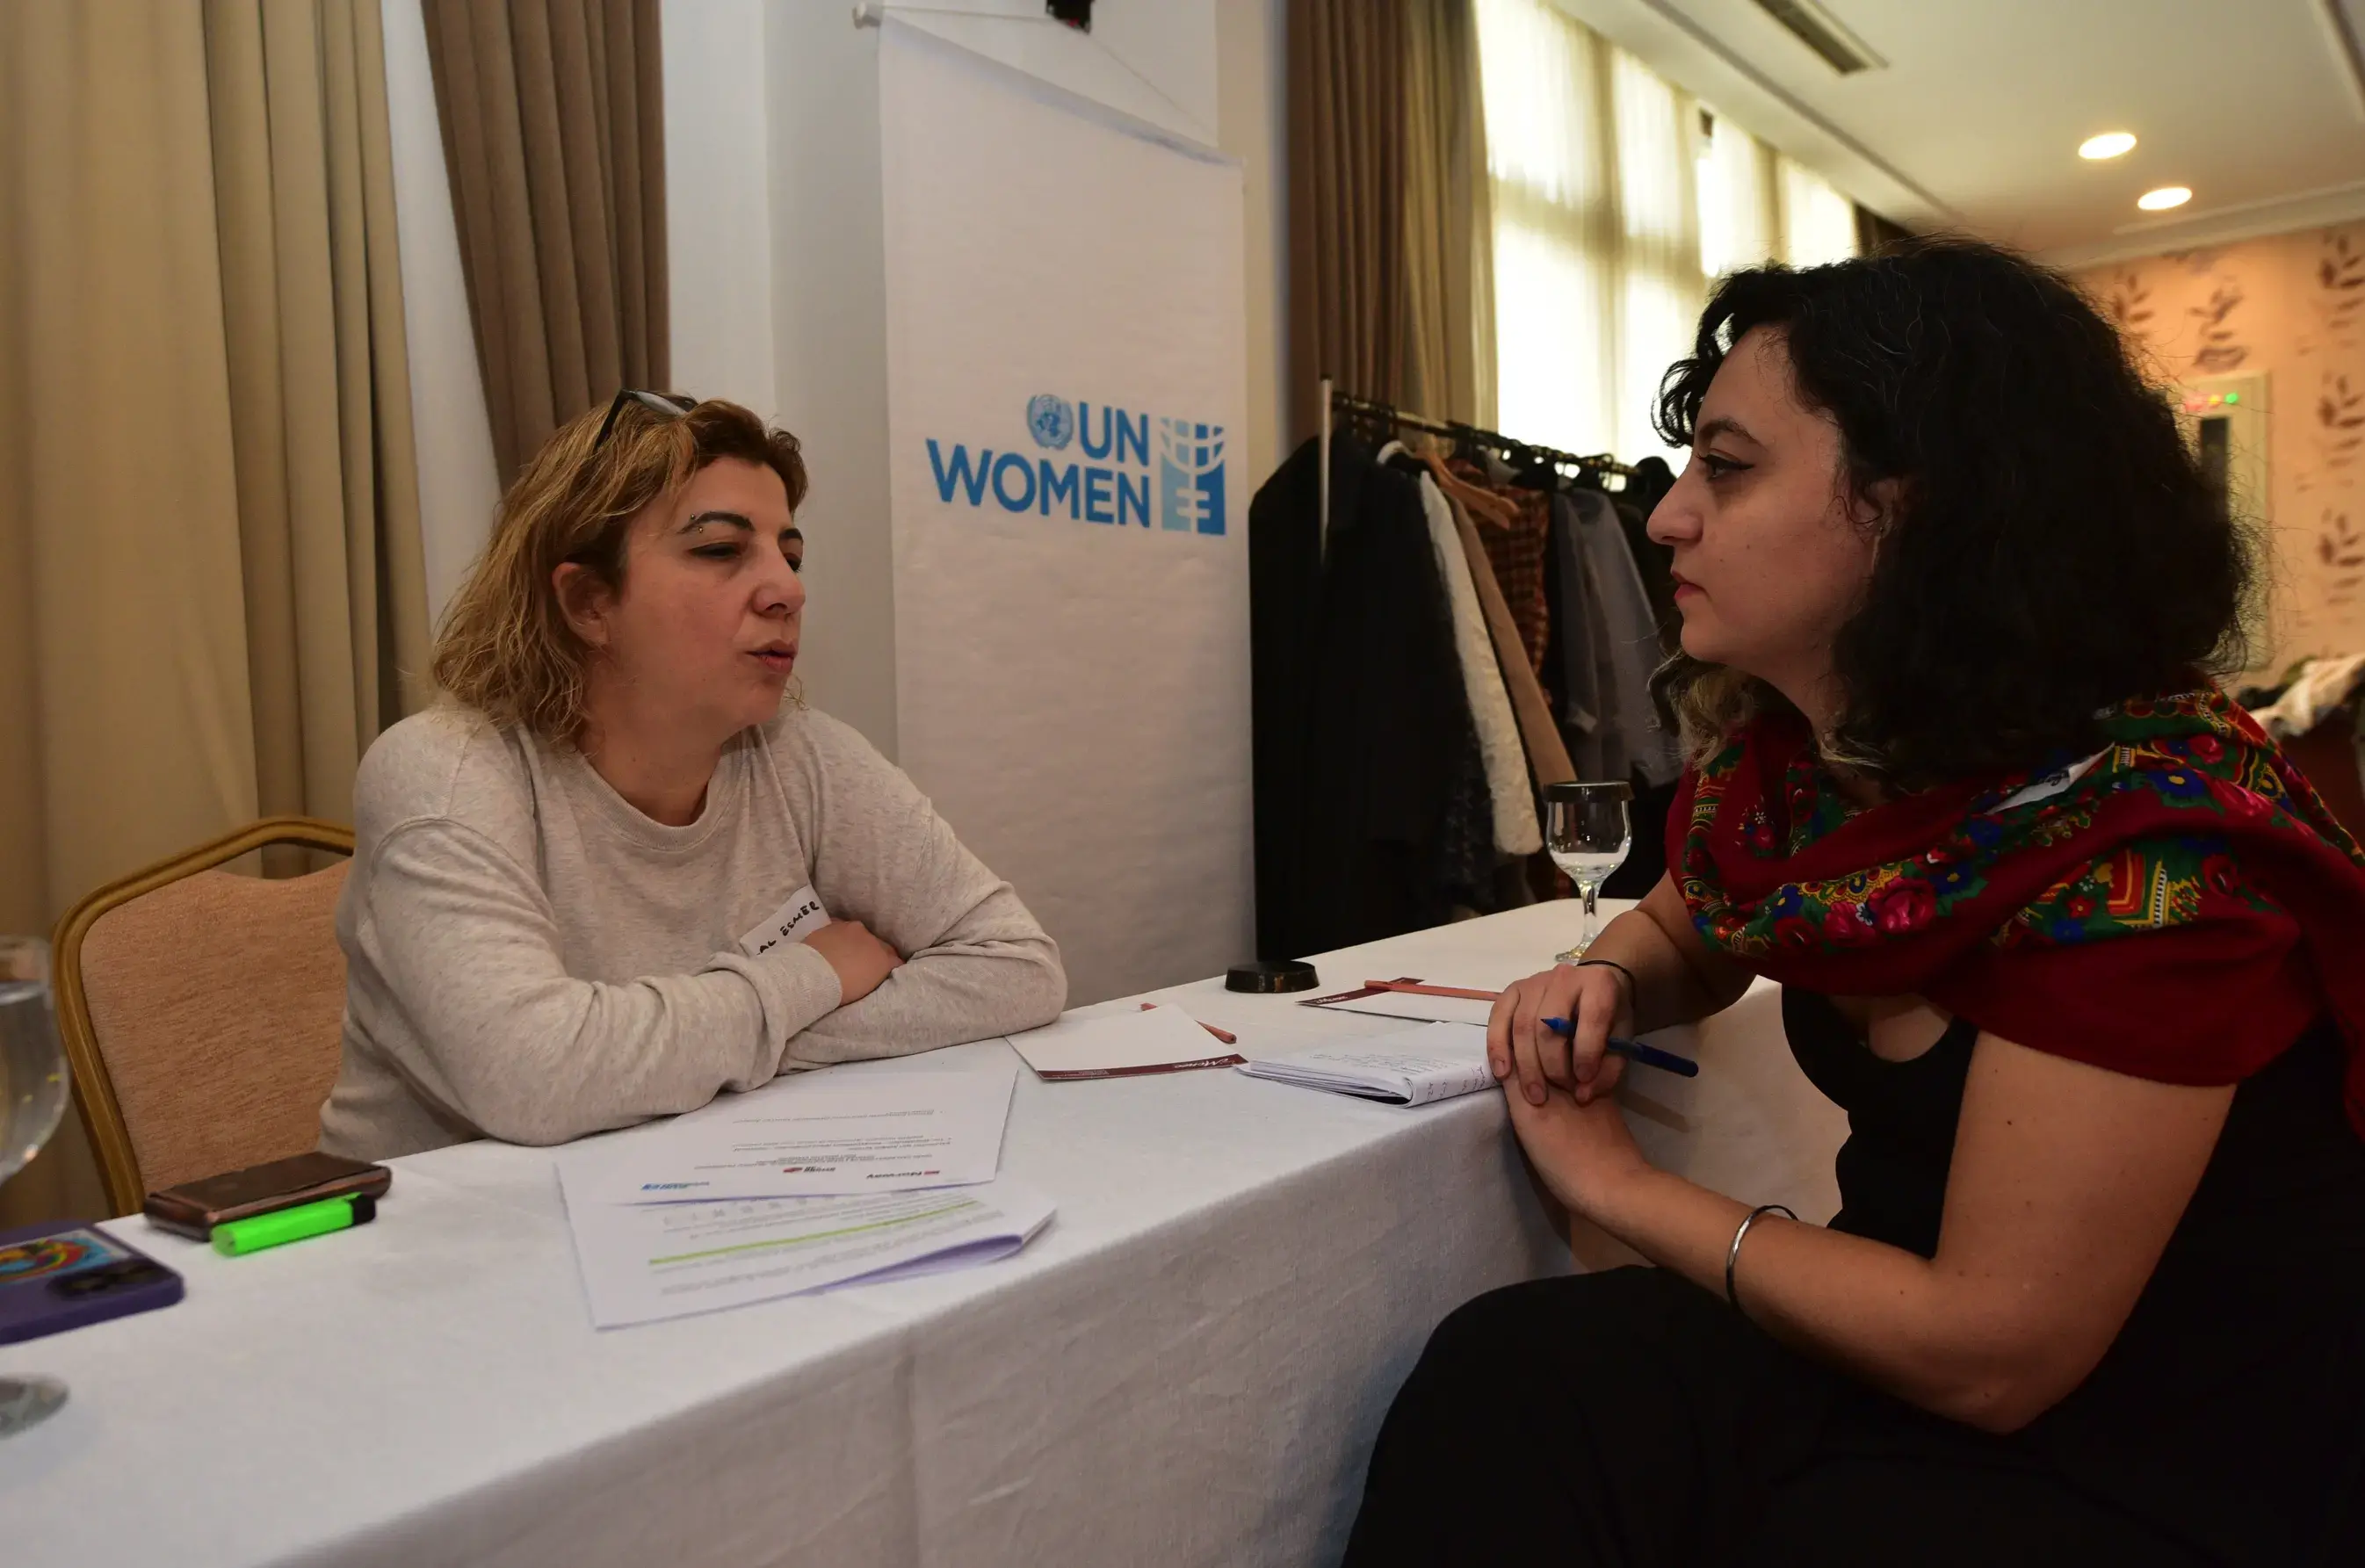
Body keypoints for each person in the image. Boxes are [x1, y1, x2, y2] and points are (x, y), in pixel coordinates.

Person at [1342, 238, 2365, 1566]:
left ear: (1915, 504)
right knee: (1518, 1381)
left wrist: (1622, 1187)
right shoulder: (1806, 769)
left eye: (1730, 465)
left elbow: (1993, 1352)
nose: (1665, 518)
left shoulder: (2147, 856)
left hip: (2170, 1449)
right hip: (1909, 1358)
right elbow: (1681, 924)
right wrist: (1612, 970)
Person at [320, 393, 1066, 1160]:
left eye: (792, 554)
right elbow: (533, 1075)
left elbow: (1016, 967)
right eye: (720, 550)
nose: (789, 589)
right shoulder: (445, 774)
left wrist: (723, 1054)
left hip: (692, 1196)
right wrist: (809, 973)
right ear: (587, 602)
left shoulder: (802, 754)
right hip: (432, 1247)